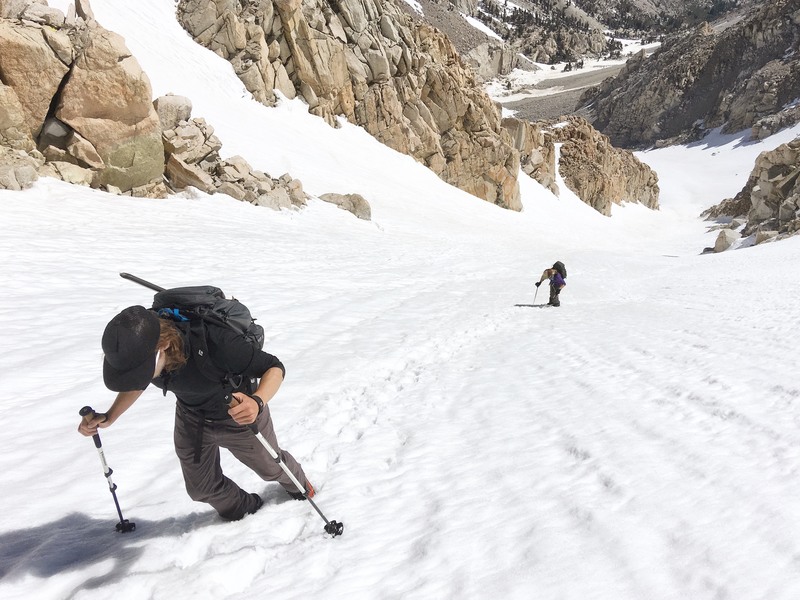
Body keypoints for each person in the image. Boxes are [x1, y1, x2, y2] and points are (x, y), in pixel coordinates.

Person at [78, 305, 313, 521]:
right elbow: (136, 382)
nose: (142, 378)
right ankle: (246, 509)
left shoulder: (218, 344)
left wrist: (256, 402)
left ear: (164, 346)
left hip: (238, 417)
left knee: (271, 468)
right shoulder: (139, 343)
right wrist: (110, 416)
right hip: (192, 419)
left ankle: (301, 488)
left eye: (143, 371)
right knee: (202, 488)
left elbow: (274, 367)